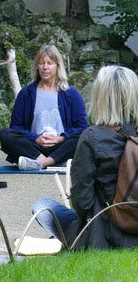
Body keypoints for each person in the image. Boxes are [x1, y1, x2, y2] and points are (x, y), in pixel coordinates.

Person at [32, 65, 138, 249]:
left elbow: (82, 203)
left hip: (104, 233)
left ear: (101, 97)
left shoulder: (92, 136)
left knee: (43, 206)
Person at [0, 44, 89, 170]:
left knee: (86, 135)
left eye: (49, 63)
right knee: (5, 134)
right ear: (37, 67)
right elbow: (15, 127)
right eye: (41, 63)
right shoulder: (26, 93)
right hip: (34, 147)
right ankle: (46, 160)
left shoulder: (71, 94)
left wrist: (60, 138)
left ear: (58, 66)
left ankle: (42, 163)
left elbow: (83, 127)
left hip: (61, 146)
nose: (45, 67)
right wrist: (35, 138)